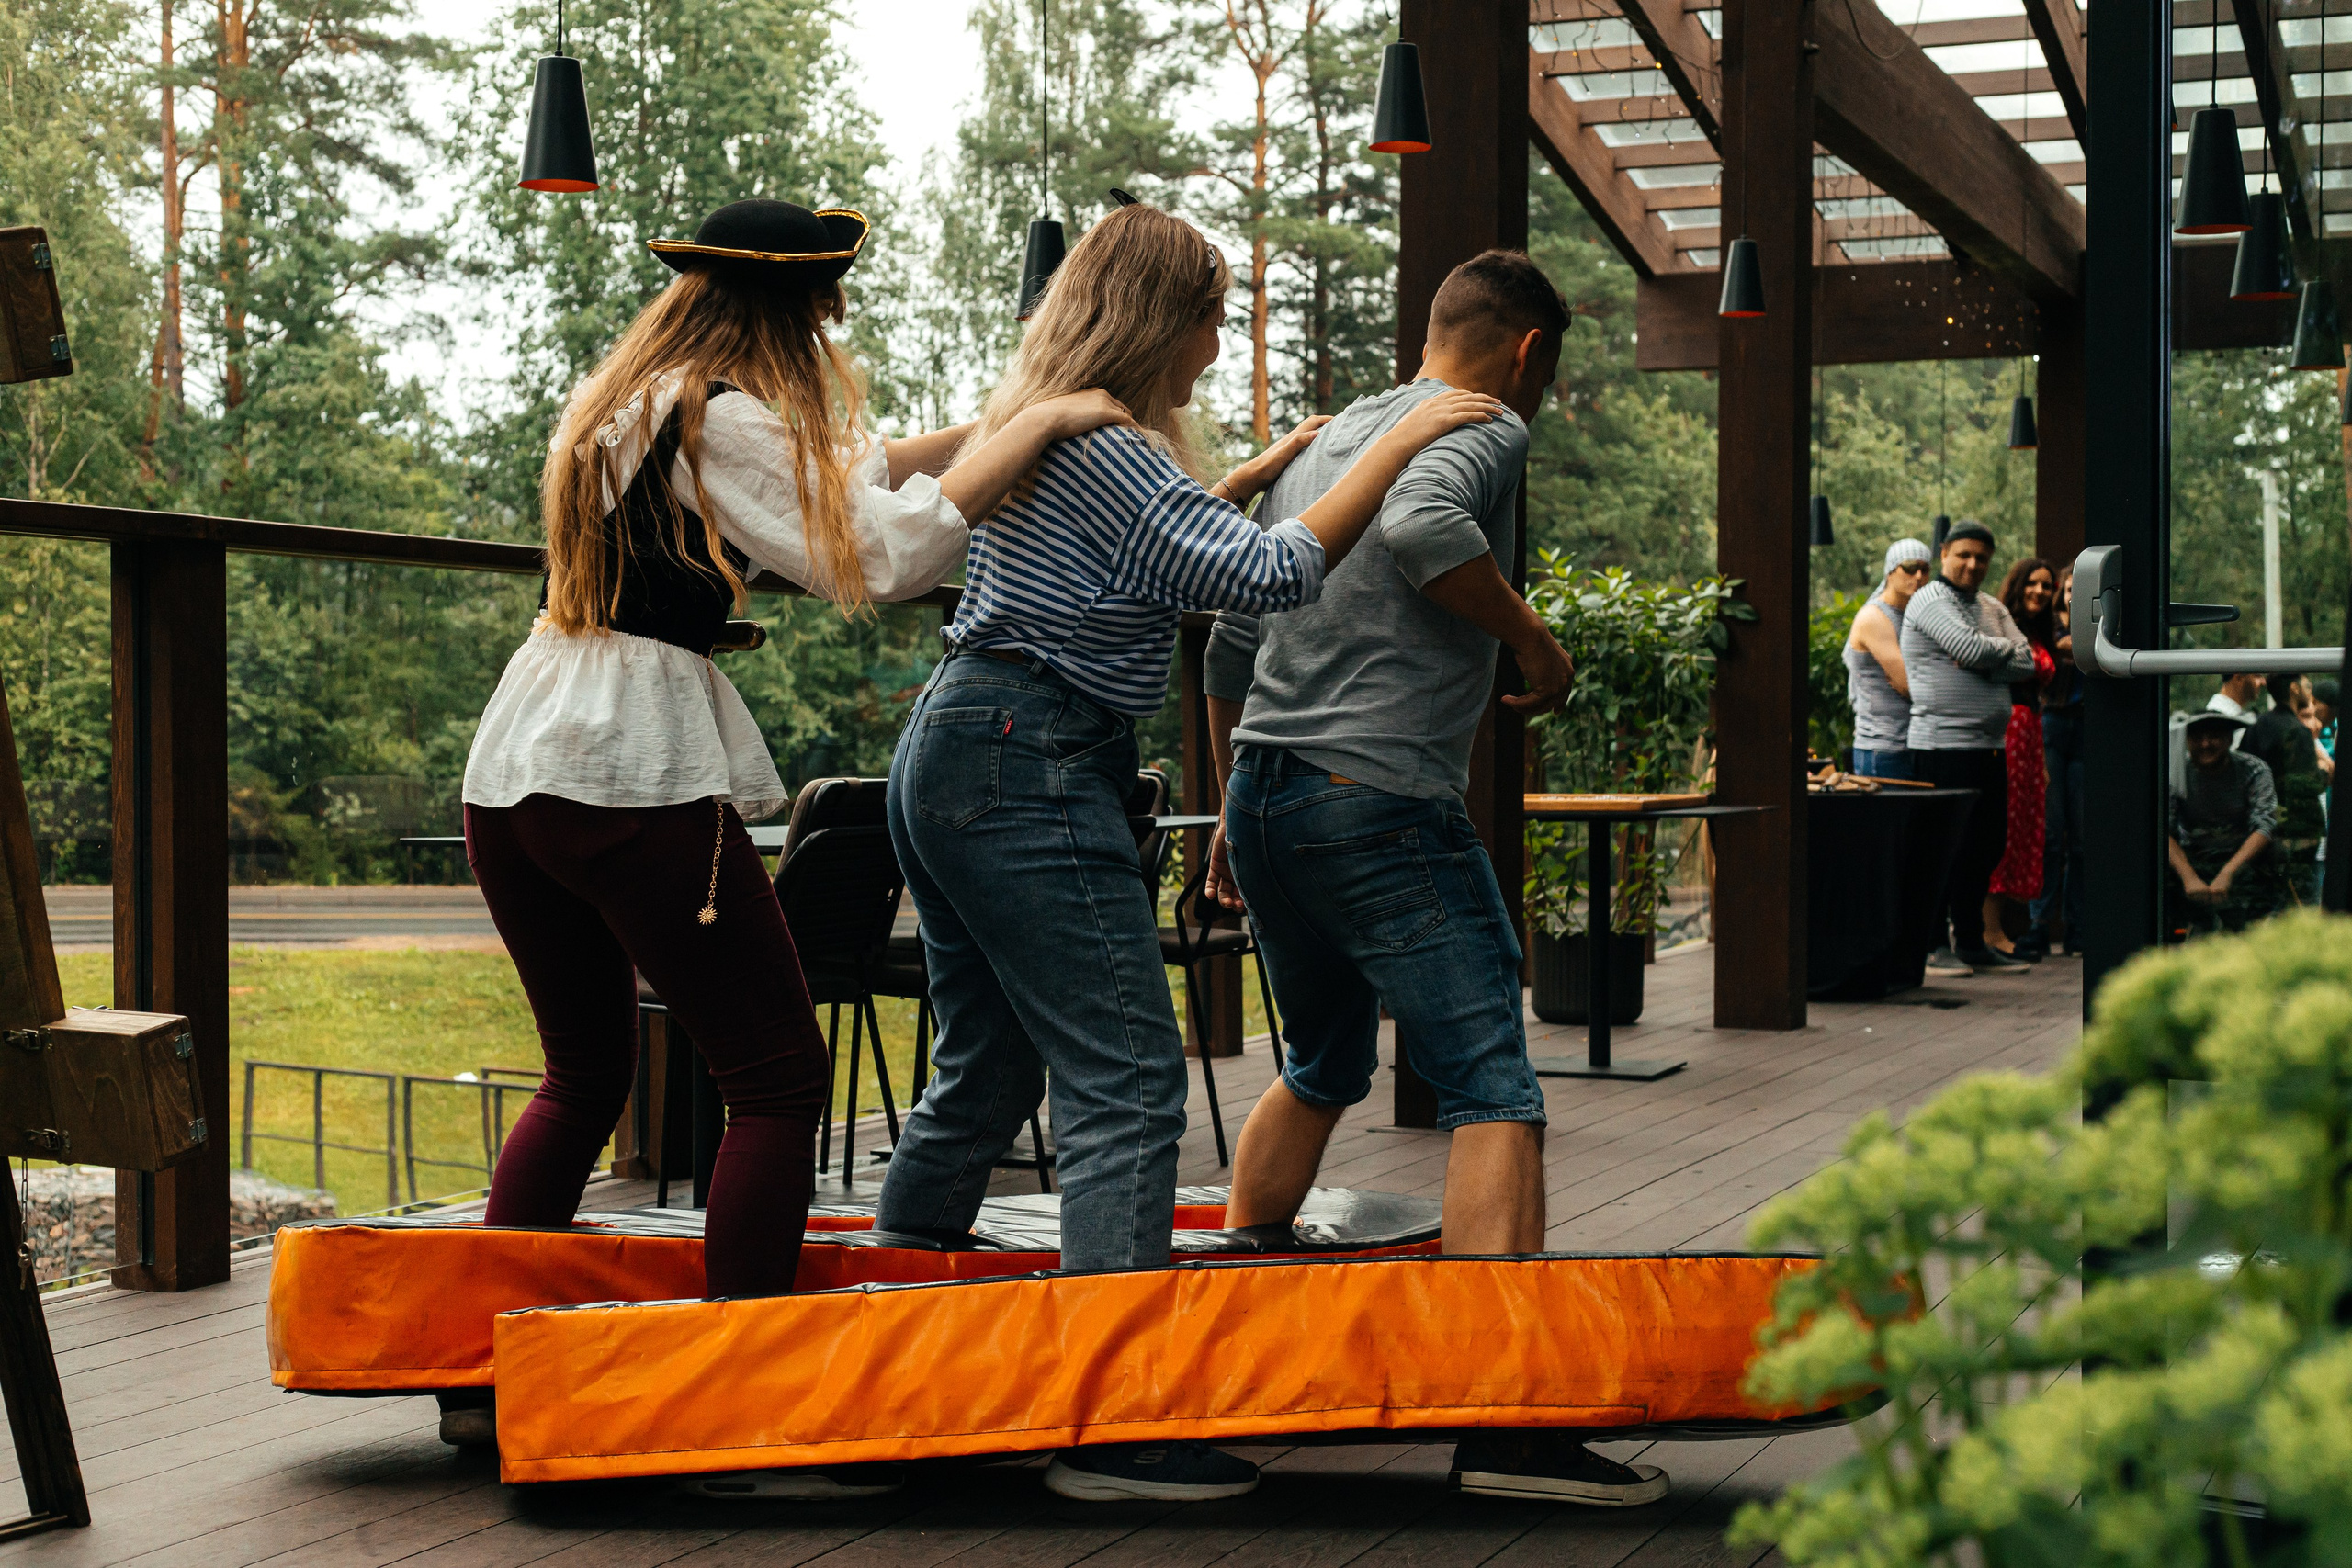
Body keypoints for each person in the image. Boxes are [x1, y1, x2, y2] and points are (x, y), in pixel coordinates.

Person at [456, 199, 1131, 1472]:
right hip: (628, 762)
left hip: (520, 762)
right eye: (825, 308)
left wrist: (992, 424)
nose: (834, 330)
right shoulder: (726, 413)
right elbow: (876, 557)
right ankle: (749, 1379)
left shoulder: (635, 398)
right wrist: (1035, 426)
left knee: (583, 1072)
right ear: (788, 311)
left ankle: (481, 1366)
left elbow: (840, 481)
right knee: (775, 1079)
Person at [874, 201, 1504, 1506]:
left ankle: (892, 1345)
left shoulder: (1073, 435)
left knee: (987, 1063)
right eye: (1213, 315)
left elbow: (1164, 553)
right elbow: (1269, 576)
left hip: (961, 745)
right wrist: (1392, 448)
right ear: (1161, 318)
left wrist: (1271, 459)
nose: (1218, 343)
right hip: (1030, 756)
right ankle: (1118, 1420)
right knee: (1128, 1078)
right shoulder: (1109, 448)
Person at [1204, 252, 1657, 1509]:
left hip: (1272, 789)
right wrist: (1534, 635)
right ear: (1525, 353)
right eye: (1550, 374)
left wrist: (1230, 811)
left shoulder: (1326, 435)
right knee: (1493, 1083)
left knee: (1324, 1056)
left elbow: (1235, 629)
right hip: (1381, 796)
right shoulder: (1476, 425)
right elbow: (1421, 527)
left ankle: (1242, 1332)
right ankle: (1503, 1414)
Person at [1900, 521, 2036, 974]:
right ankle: (1932, 944)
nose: (1973, 564)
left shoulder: (1991, 605)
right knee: (1941, 848)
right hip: (1941, 747)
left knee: (1986, 847)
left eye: (1981, 557)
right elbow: (1968, 647)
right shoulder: (1929, 600)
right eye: (1964, 555)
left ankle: (1972, 941)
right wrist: (1991, 653)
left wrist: (1984, 656)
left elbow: (2028, 661)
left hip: (1988, 748)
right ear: (1944, 554)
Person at [1986, 557, 2058, 954]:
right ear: (2017, 585)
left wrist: (2042, 760)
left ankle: (2003, 928)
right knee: (2003, 826)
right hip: (2007, 727)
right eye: (2033, 583)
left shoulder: (2036, 630)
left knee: (2026, 828)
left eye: (2047, 586)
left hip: (2031, 732)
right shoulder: (2000, 623)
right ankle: (1988, 929)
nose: (2040, 592)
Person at [2169, 709, 2282, 933]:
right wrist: (2188, 877)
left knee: (2278, 854)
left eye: (2214, 737)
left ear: (2229, 739)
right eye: (2197, 738)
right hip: (2194, 857)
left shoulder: (2253, 770)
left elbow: (2265, 824)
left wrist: (2228, 873)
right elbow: (2161, 827)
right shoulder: (2176, 772)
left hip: (2243, 858)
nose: (2205, 744)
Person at [2025, 565, 2085, 959]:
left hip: (2088, 732)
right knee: (2049, 832)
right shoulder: (2050, 628)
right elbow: (2066, 647)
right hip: (2051, 727)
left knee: (2082, 836)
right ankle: (2039, 925)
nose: (2070, 593)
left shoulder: (2101, 628)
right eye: (2067, 587)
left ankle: (2077, 926)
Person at [1846, 540, 1932, 779]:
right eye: (1910, 567)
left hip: (1912, 744)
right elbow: (1908, 685)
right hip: (1883, 747)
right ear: (1891, 571)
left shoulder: (1914, 616)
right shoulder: (1874, 617)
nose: (1918, 575)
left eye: (1925, 569)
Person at [2245, 671, 2330, 905]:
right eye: (2307, 687)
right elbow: (2306, 786)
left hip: (2263, 837)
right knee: (2302, 909)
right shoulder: (2297, 731)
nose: (2310, 693)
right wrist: (2324, 771)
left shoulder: (2257, 727)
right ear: (2294, 689)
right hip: (2297, 841)